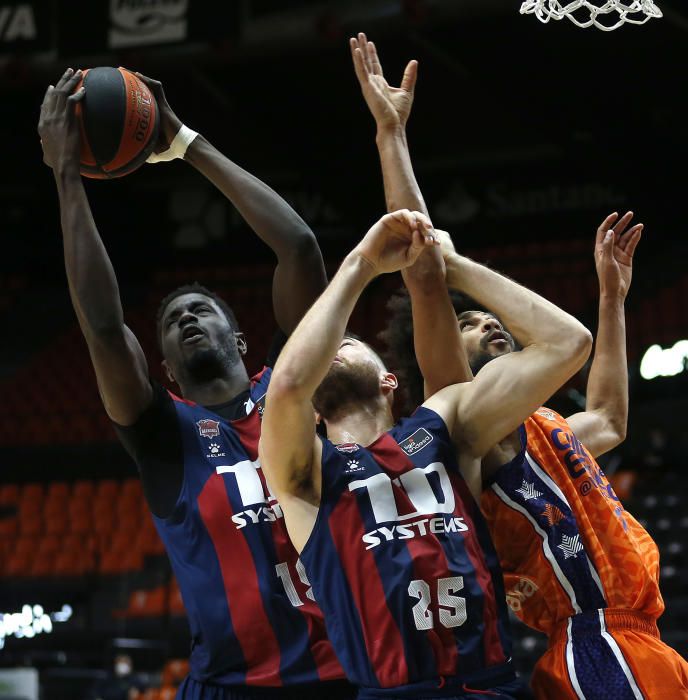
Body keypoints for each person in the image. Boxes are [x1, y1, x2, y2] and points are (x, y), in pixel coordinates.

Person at [353, 34, 688, 698]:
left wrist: (612, 300)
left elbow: (610, 419)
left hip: (638, 640)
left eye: (490, 320)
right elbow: (424, 271)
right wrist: (392, 136)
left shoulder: (536, 426)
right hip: (592, 643)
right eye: (475, 325)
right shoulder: (473, 422)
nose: (493, 324)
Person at [38, 67, 354, 699]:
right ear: (166, 369)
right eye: (173, 320)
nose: (186, 317)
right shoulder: (162, 434)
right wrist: (66, 177)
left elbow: (298, 248)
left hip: (350, 676)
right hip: (235, 687)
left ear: (239, 340)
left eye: (201, 310)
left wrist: (183, 141)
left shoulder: (293, 387)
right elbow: (102, 326)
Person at [259, 205, 592, 699]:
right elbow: (286, 384)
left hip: (490, 684)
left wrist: (453, 266)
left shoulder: (444, 425)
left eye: (349, 342)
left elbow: (569, 342)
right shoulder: (305, 472)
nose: (334, 347)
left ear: (388, 380)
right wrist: (362, 264)